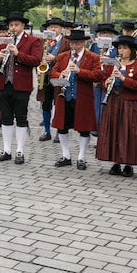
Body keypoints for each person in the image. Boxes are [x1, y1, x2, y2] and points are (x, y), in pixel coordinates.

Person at [50, 29, 104, 170]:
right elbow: (53, 73)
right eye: (72, 42)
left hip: (83, 97)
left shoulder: (92, 57)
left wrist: (80, 71)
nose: (75, 45)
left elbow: (98, 75)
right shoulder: (62, 56)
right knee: (62, 126)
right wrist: (61, 74)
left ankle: (81, 157)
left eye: (78, 42)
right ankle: (66, 155)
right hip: (64, 96)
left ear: (83, 42)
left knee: (84, 128)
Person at [0, 13, 41, 164]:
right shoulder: (1, 40)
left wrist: (18, 54)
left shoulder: (33, 41)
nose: (13, 28)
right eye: (11, 25)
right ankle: (6, 150)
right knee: (5, 118)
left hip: (21, 86)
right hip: (3, 83)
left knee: (21, 118)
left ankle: (19, 151)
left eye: (16, 25)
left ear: (23, 26)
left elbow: (36, 60)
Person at [95, 36, 137, 176]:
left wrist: (123, 78)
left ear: (131, 50)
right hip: (113, 101)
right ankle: (115, 162)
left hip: (130, 103)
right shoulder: (112, 65)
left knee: (129, 133)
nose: (121, 51)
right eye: (119, 48)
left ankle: (128, 164)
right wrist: (106, 82)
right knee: (114, 131)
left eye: (125, 48)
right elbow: (102, 82)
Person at [38, 18, 69, 142]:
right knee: (45, 104)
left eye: (56, 27)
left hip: (59, 76)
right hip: (45, 77)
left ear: (61, 29)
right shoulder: (43, 41)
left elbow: (69, 58)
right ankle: (47, 131)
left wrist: (55, 58)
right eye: (51, 27)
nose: (53, 29)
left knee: (59, 104)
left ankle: (58, 131)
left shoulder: (66, 42)